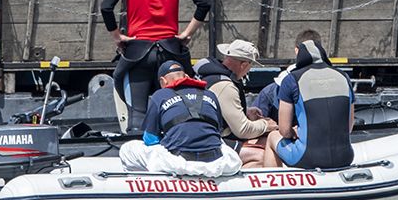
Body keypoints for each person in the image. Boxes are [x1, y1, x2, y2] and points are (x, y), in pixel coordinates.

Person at [100, 0, 210, 132]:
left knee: (137, 117)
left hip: (138, 52)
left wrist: (117, 37)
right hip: (171, 51)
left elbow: (106, 7)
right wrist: (187, 33)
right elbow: (204, 2)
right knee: (180, 111)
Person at [117, 60, 242, 177]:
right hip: (216, 162)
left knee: (128, 149)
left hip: (180, 163)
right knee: (220, 142)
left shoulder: (159, 96)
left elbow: (150, 140)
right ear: (186, 76)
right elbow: (217, 130)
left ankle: (147, 186)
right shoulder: (210, 94)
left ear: (163, 81)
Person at [265, 38, 355, 169]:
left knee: (272, 136)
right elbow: (349, 127)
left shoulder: (291, 80)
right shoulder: (344, 77)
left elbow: (284, 131)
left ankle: (273, 186)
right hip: (345, 157)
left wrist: (295, 133)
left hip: (307, 158)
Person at [194, 38, 276, 167]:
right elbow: (242, 130)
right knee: (261, 155)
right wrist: (266, 125)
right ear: (244, 65)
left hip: (196, 134)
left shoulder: (207, 74)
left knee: (263, 140)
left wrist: (245, 111)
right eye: (250, 65)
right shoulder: (225, 86)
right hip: (206, 142)